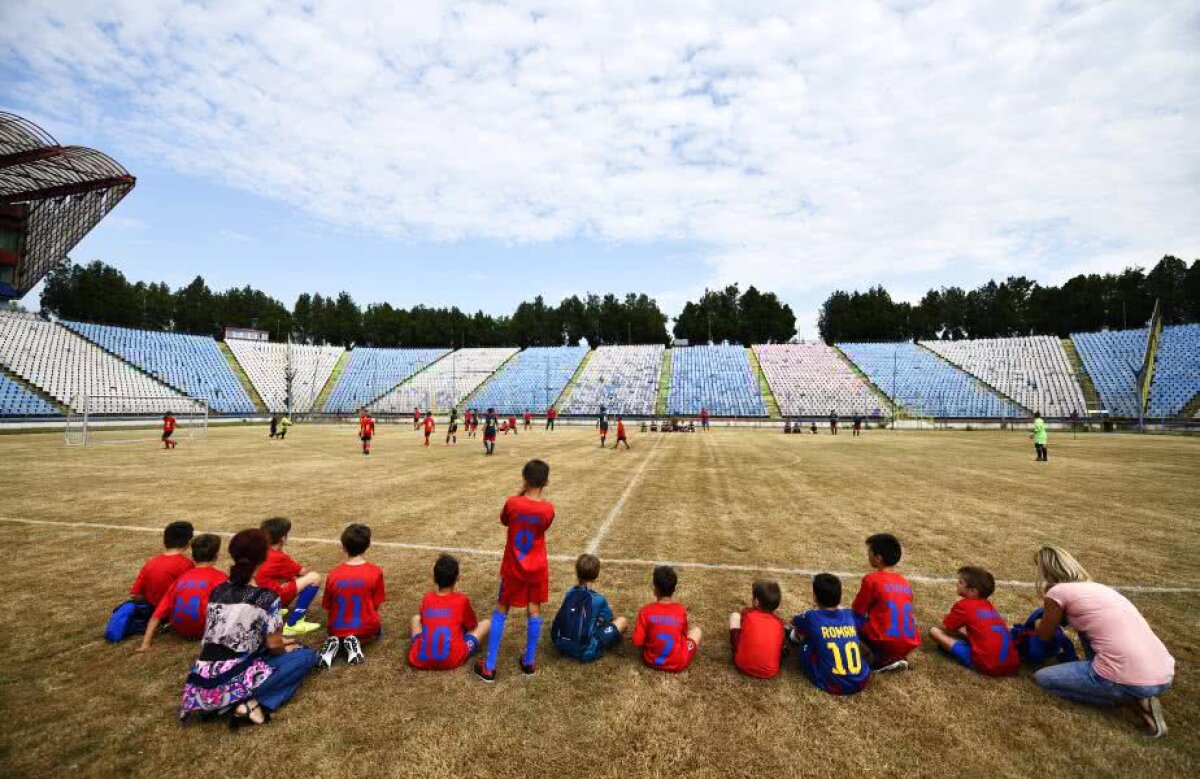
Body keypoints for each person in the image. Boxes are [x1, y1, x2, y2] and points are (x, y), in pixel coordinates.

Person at [179, 528, 319, 727]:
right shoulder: (266, 597)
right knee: (305, 655)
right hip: (231, 676)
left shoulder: (217, 591)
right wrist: (283, 646)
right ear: (263, 558)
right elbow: (273, 646)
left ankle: (223, 703)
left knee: (285, 651)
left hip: (200, 681)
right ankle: (250, 703)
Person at [1030, 546, 1174, 737]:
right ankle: (1135, 693)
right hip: (1164, 673)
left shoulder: (1058, 592)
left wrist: (1039, 623)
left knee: (1044, 679)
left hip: (1127, 676)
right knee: (1087, 630)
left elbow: (1044, 634)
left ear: (1045, 570)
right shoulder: (1100, 589)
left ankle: (1129, 697)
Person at [474, 459, 554, 682]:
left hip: (513, 566)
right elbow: (544, 524)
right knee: (534, 611)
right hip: (537, 567)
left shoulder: (512, 503)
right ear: (546, 481)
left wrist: (520, 494)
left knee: (501, 610)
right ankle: (529, 661)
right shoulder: (548, 509)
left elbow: (504, 520)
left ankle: (489, 666)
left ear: (524, 479)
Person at [105, 521, 195, 642]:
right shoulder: (186, 564)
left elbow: (136, 594)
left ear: (165, 542)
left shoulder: (151, 562)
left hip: (153, 611)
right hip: (171, 613)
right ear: (188, 542)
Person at [137, 534, 226, 652]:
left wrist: (146, 644)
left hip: (180, 629)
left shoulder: (181, 579)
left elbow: (158, 612)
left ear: (193, 557)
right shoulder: (221, 578)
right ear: (216, 556)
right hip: (205, 630)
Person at [928, 566, 1019, 678]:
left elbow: (946, 629)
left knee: (934, 631)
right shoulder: (988, 606)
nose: (957, 583)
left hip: (988, 665)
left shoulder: (965, 605)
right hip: (1011, 664)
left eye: (961, 582)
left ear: (973, 591)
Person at [789, 574, 870, 695]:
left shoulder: (812, 616)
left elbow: (794, 621)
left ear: (815, 597)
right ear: (839, 597)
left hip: (833, 683)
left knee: (805, 637)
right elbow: (863, 622)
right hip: (861, 679)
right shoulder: (849, 614)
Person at [319, 524, 385, 669]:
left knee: (343, 626)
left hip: (335, 628)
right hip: (365, 627)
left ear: (343, 546)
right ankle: (356, 641)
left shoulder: (333, 574)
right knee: (378, 627)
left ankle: (336, 642)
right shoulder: (375, 572)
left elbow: (328, 606)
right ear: (368, 545)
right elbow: (376, 605)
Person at [851, 533, 920, 672]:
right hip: (909, 642)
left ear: (878, 558)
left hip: (885, 641)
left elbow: (857, 611)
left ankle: (879, 660)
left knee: (845, 619)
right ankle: (897, 656)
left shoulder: (872, 579)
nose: (867, 555)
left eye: (869, 552)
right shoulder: (904, 581)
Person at [410, 554, 491, 671]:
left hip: (421, 657)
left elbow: (424, 622)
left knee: (415, 619)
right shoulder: (462, 600)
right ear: (458, 577)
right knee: (487, 624)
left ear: (434, 578)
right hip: (452, 659)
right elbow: (472, 625)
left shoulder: (427, 598)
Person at [552, 554, 627, 662]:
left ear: (577, 573)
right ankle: (610, 643)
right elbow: (608, 617)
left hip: (561, 644)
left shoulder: (569, 593)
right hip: (585, 650)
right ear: (596, 576)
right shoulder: (599, 599)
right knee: (622, 621)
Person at [255, 517, 322, 635]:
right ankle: (293, 623)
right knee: (314, 578)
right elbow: (303, 572)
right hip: (270, 598)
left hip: (258, 599)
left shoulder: (260, 551)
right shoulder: (279, 557)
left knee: (290, 579)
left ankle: (275, 611)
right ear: (282, 538)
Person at [633, 565, 701, 672]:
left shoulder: (645, 611)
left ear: (655, 589)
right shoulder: (681, 610)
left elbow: (637, 642)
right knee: (697, 631)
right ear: (674, 589)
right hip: (678, 663)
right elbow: (683, 634)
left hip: (651, 661)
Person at [729, 580, 785, 679]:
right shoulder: (779, 623)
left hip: (742, 665)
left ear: (756, 601)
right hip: (771, 672)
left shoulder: (748, 614)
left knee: (735, 616)